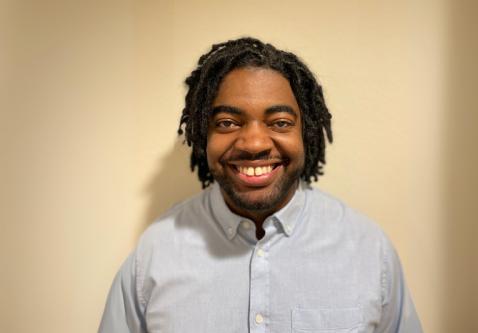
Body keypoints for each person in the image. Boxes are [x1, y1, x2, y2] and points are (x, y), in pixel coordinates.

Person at [98, 37, 422, 333]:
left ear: (305, 133)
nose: (254, 143)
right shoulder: (155, 254)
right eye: (227, 123)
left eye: (279, 123)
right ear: (201, 136)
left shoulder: (368, 250)